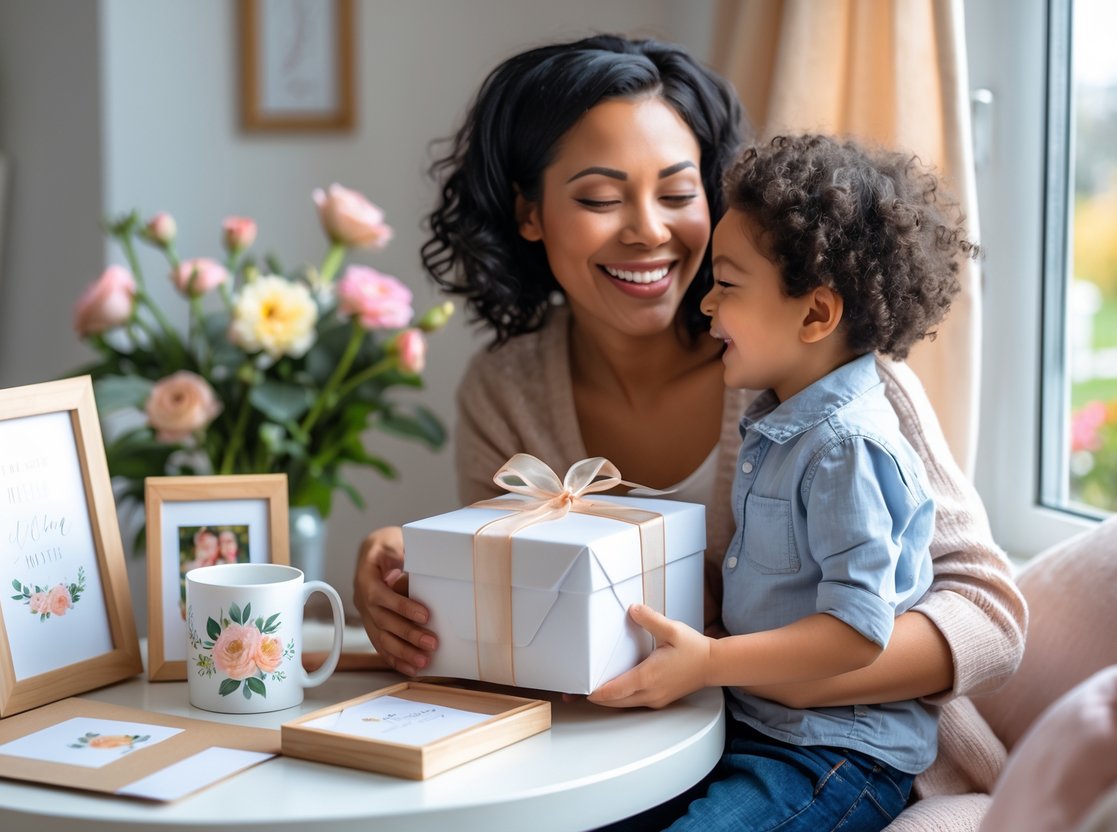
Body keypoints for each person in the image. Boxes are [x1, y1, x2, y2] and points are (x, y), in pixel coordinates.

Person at [352, 33, 1026, 824]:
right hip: (622, 753)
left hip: (829, 761)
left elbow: (989, 617)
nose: (648, 231)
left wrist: (732, 667)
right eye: (601, 199)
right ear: (530, 213)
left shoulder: (832, 384)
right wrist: (416, 578)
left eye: (677, 193)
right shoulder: (507, 393)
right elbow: (517, 631)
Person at [601, 133, 974, 830]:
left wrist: (709, 661)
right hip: (754, 726)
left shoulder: (846, 448)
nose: (705, 305)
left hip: (834, 754)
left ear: (814, 314)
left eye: (727, 285)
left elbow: (855, 633)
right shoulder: (779, 420)